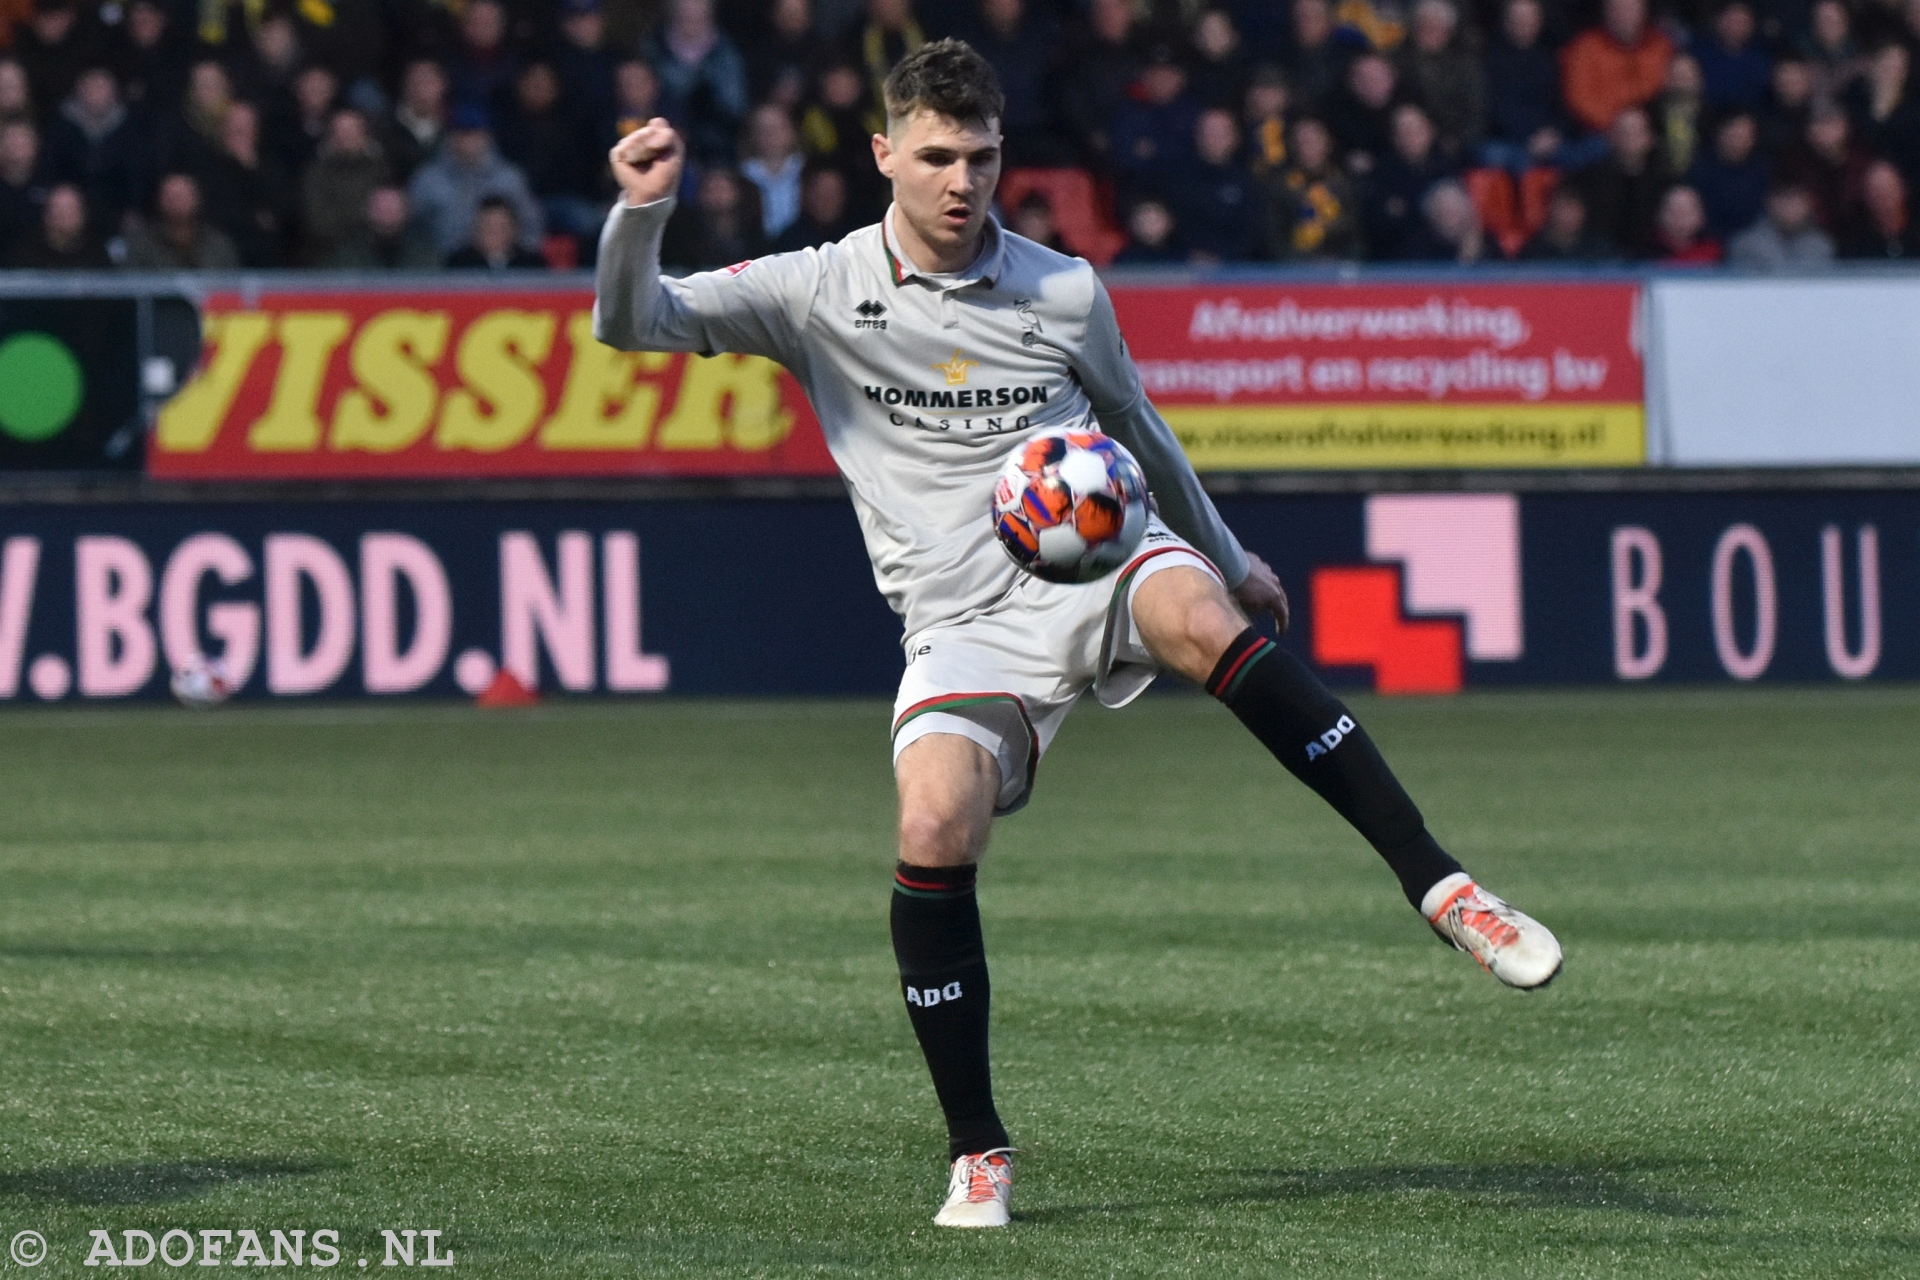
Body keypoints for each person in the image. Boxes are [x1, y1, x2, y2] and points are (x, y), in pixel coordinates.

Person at [595, 37, 1563, 1232]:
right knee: (931, 820)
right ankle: (978, 1149)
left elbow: (1135, 420)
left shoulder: (1061, 288)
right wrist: (641, 214)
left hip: (1100, 556)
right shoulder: (816, 289)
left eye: (984, 158)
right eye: (938, 156)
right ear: (885, 152)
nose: (962, 182)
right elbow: (635, 320)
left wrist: (1225, 551)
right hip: (960, 619)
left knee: (1198, 615)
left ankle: (1446, 888)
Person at [407, 103, 544, 259]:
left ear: (487, 135)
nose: (468, 140)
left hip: (500, 271)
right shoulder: (428, 178)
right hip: (440, 270)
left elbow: (532, 227)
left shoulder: (509, 178)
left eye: (474, 132)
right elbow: (412, 231)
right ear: (450, 136)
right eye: (462, 133)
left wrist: (516, 261)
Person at [1560, 0, 1674, 135]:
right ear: (1605, 12)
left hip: (1655, 130)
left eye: (1630, 9)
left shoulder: (1661, 45)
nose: (1623, 15)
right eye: (1616, 9)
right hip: (1603, 134)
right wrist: (1620, 126)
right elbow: (1579, 101)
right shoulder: (1583, 48)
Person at [121, 171, 240, 268]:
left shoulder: (219, 244)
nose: (176, 202)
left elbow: (233, 285)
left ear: (197, 199)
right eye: (170, 196)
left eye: (182, 196)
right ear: (159, 200)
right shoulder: (141, 244)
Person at [321, 184, 440, 269]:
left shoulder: (422, 252)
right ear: (367, 210)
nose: (386, 212)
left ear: (406, 211)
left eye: (392, 207)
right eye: (380, 207)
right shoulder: (349, 252)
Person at [1727, 179, 1835, 267]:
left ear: (1809, 204)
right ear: (1769, 202)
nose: (1790, 208)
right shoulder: (1746, 245)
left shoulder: (1822, 246)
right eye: (1784, 199)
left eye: (1797, 200)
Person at [5, 180, 107, 266]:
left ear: (83, 215)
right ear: (46, 214)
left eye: (70, 210)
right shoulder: (26, 253)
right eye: (58, 209)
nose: (63, 215)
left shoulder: (97, 254)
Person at [1841, 159, 1920, 258]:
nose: (1884, 198)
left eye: (1889, 190)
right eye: (1877, 193)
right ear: (1867, 197)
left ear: (1903, 190)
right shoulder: (1855, 241)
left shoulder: (1916, 233)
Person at [445, 193, 547, 268]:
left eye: (501, 227)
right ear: (476, 230)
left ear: (514, 230)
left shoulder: (532, 263)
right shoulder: (458, 263)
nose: (494, 234)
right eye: (488, 227)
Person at [1518, 184, 1615, 259]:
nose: (1569, 215)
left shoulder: (1599, 249)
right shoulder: (1534, 251)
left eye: (1574, 208)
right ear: (1550, 209)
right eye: (1563, 208)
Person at [1652, 183, 1722, 262]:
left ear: (1701, 215)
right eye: (1673, 211)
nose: (1679, 217)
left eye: (1686, 212)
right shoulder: (1646, 249)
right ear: (1660, 214)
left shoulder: (1715, 250)